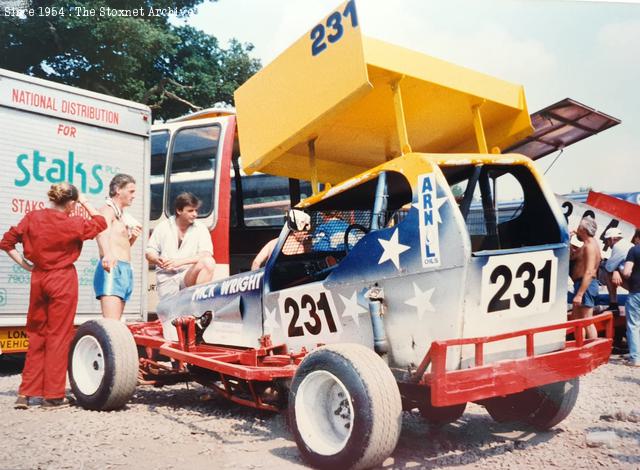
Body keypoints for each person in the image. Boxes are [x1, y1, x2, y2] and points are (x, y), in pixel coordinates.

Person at [0, 183, 106, 409]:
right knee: (58, 336)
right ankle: (53, 396)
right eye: (74, 204)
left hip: (39, 278)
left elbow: (6, 242)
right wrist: (85, 202)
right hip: (62, 279)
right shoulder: (73, 223)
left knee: (36, 334)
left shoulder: (32, 218)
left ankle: (26, 393)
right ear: (70, 203)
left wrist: (26, 265)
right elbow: (100, 223)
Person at [146, 192, 216, 300]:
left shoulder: (201, 228)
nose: (195, 214)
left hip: (187, 276)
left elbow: (206, 254)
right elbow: (149, 251)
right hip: (166, 279)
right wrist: (156, 259)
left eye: (196, 210)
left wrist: (179, 262)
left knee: (209, 262)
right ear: (179, 210)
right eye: (190, 211)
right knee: (171, 315)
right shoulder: (162, 227)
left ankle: (198, 304)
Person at [93, 173, 141, 320]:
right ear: (118, 190)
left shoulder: (122, 216)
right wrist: (107, 255)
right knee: (112, 325)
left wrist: (132, 237)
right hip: (112, 269)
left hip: (125, 269)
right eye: (131, 191)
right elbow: (101, 232)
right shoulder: (107, 210)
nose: (134, 196)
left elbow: (122, 246)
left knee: (117, 326)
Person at [568, 216, 601, 339]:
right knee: (578, 321)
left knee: (587, 321)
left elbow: (589, 272)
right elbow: (573, 257)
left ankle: (593, 349)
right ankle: (581, 346)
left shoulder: (590, 246)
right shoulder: (588, 244)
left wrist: (580, 294)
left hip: (585, 284)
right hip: (582, 283)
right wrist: (570, 239)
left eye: (578, 227)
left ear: (583, 229)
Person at [601, 227, 633, 313]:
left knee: (606, 271)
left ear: (611, 239)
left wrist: (615, 270)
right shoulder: (627, 244)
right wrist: (616, 270)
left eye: (607, 241)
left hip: (635, 284)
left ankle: (613, 304)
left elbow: (609, 267)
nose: (607, 244)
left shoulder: (618, 246)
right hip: (635, 279)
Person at [622, 229, 640, 367]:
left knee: (633, 325)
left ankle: (636, 358)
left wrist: (620, 271)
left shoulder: (634, 250)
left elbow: (627, 272)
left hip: (636, 292)